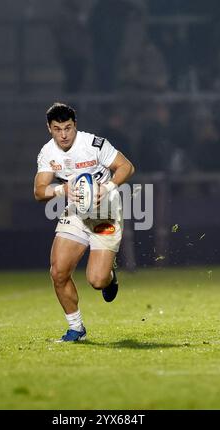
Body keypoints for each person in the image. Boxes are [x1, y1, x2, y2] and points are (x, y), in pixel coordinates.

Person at [34, 103, 135, 342]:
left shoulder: (93, 144)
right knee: (58, 272)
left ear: (75, 125)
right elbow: (39, 192)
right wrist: (62, 189)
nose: (64, 134)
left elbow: (126, 167)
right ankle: (76, 328)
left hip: (105, 212)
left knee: (97, 281)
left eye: (68, 127)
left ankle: (110, 274)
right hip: (76, 212)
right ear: (49, 128)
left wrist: (108, 186)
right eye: (58, 129)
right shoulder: (48, 153)